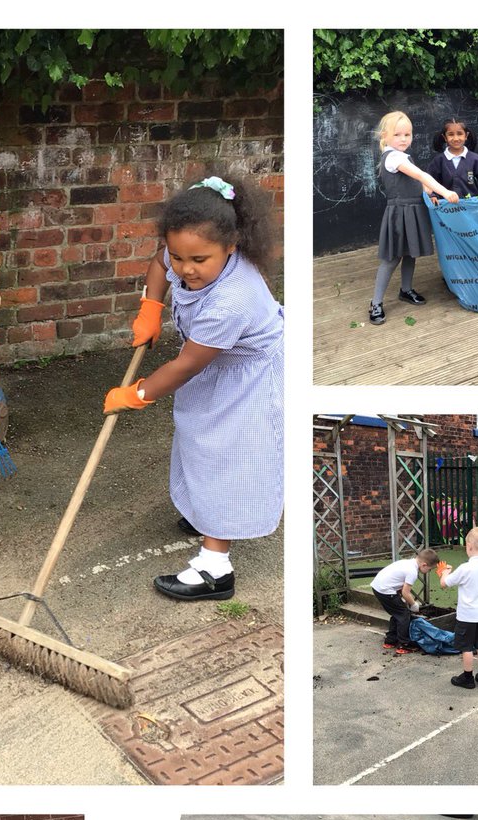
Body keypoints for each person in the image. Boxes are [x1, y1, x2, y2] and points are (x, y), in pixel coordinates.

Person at [104, 175, 283, 601]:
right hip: (214, 367)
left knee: (228, 456)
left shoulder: (233, 299)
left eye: (199, 259)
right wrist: (151, 306)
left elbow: (185, 366)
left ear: (232, 245)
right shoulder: (186, 254)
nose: (186, 268)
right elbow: (158, 265)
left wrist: (137, 394)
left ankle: (215, 568)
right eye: (180, 255)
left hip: (249, 379)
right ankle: (206, 514)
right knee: (197, 442)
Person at [368, 111, 459, 326]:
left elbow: (418, 184)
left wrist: (431, 193)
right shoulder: (393, 157)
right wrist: (445, 192)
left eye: (407, 135)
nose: (403, 139)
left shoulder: (403, 155)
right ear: (385, 136)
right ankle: (375, 303)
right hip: (400, 212)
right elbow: (421, 176)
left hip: (413, 210)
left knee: (411, 253)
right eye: (398, 134)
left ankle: (406, 290)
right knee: (391, 259)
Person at [437, 527, 478, 688]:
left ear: (468, 546)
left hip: (466, 616)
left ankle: (468, 678)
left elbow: (444, 584)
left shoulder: (465, 568)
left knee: (467, 648)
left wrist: (444, 572)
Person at [371, 547, 440, 654]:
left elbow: (398, 583)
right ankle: (404, 645)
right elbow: (405, 592)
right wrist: (413, 604)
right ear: (424, 565)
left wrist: (402, 599)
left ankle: (390, 641)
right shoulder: (412, 571)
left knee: (397, 613)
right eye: (430, 569)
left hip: (378, 587)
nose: (429, 571)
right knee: (404, 614)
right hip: (385, 590)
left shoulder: (407, 563)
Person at [425, 118, 478, 200]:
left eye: (459, 134)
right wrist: (432, 196)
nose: (456, 138)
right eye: (451, 134)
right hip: (446, 209)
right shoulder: (438, 161)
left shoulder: (475, 159)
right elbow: (429, 182)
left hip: (471, 208)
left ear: (466, 136)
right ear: (445, 137)